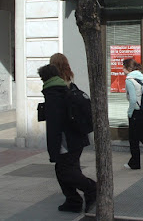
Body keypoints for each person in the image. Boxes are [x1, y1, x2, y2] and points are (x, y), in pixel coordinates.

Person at [38, 63, 96, 213]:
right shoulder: (63, 88)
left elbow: (54, 126)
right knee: (63, 169)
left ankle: (91, 188)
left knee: (65, 171)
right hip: (76, 137)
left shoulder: (53, 94)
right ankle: (73, 201)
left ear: (44, 78)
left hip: (67, 141)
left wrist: (53, 150)